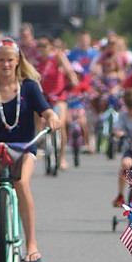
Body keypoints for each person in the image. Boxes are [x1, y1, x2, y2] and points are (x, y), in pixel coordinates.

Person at [0, 38, 61, 262]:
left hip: (24, 147)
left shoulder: (29, 86)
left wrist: (53, 118)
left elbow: (46, 111)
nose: (5, 64)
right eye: (1, 60)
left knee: (22, 183)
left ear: (18, 61)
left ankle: (32, 243)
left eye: (10, 60)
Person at [35, 34, 78, 169]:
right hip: (42, 97)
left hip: (58, 97)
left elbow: (69, 70)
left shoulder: (57, 57)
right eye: (39, 45)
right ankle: (38, 141)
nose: (41, 48)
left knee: (61, 124)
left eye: (44, 46)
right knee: (35, 114)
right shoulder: (35, 61)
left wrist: (72, 79)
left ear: (51, 47)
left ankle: (62, 157)